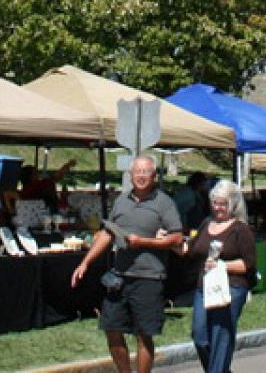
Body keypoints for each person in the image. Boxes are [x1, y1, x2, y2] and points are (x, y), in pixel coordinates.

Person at [72, 155, 184, 373]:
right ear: (130, 175)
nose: (141, 176)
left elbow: (177, 238)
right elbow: (107, 234)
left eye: (146, 172)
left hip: (150, 278)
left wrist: (144, 242)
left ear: (154, 176)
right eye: (137, 172)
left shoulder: (164, 203)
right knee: (111, 329)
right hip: (120, 277)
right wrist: (85, 262)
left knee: (144, 334)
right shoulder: (122, 201)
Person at [185, 178, 257, 373]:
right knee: (200, 337)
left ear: (233, 204)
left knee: (221, 337)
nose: (217, 207)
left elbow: (248, 264)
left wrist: (223, 265)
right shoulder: (206, 223)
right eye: (215, 202)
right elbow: (190, 250)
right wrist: (168, 240)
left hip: (232, 287)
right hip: (205, 288)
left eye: (222, 203)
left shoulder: (240, 229)